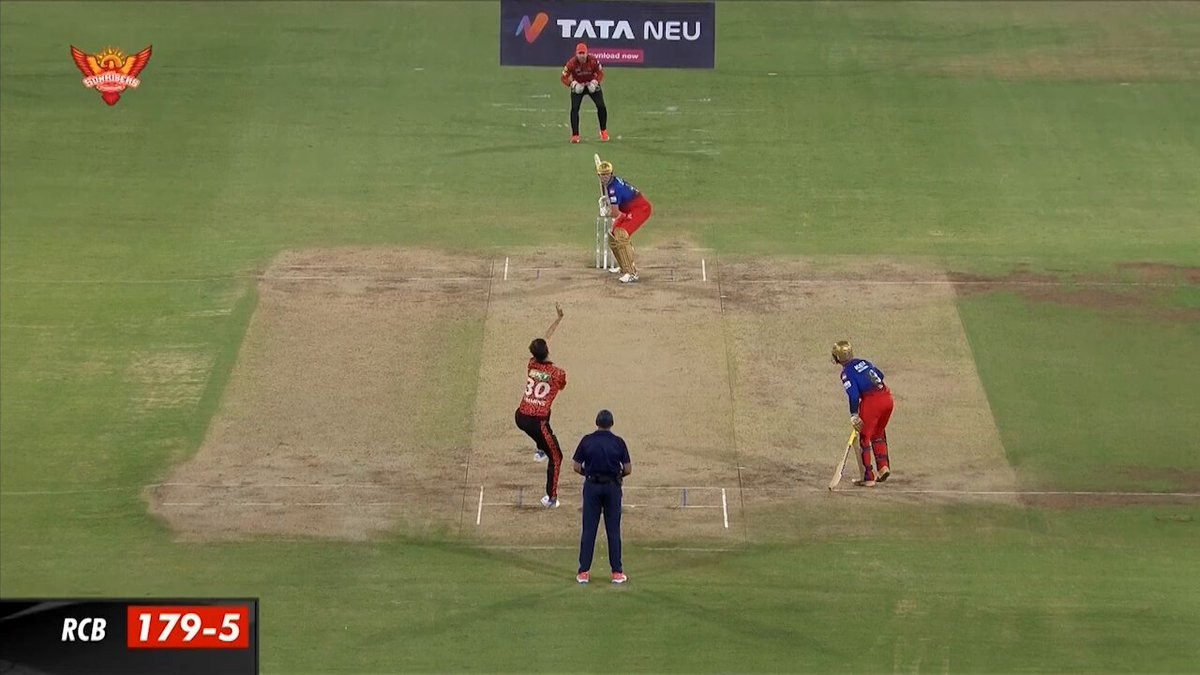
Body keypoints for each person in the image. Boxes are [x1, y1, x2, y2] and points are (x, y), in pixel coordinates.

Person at [515, 304, 567, 507]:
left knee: (545, 410)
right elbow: (561, 386)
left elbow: (545, 338)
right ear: (547, 351)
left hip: (520, 416)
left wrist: (558, 319)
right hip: (537, 422)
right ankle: (551, 498)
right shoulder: (558, 373)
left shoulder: (531, 363)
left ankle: (540, 450)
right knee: (557, 457)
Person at [571, 409, 632, 585]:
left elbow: (576, 466)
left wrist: (589, 473)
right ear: (611, 423)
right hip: (612, 488)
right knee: (613, 530)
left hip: (592, 487)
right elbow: (628, 469)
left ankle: (583, 572)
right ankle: (617, 573)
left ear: (596, 422)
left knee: (589, 530)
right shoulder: (618, 442)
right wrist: (616, 476)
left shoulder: (587, 440)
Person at [831, 340, 894, 487]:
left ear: (838, 357)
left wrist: (854, 415)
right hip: (887, 398)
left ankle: (868, 477)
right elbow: (880, 375)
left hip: (872, 402)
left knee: (864, 438)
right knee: (878, 433)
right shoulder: (863, 362)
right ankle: (883, 467)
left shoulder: (846, 373)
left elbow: (853, 395)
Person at [597, 160, 652, 284]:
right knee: (612, 235)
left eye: (607, 174)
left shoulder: (614, 188)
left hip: (641, 209)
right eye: (602, 174)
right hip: (629, 209)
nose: (605, 177)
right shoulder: (611, 183)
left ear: (611, 173)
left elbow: (615, 213)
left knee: (621, 235)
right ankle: (624, 266)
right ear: (599, 175)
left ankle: (631, 273)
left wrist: (605, 211)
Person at [560, 42, 608, 144]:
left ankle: (603, 131)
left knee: (601, 106)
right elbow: (563, 77)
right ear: (576, 54)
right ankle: (575, 135)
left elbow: (600, 73)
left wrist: (596, 82)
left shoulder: (593, 61)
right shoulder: (571, 63)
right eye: (580, 53)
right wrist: (572, 84)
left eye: (583, 53)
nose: (582, 56)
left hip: (591, 84)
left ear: (587, 53)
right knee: (574, 109)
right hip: (578, 85)